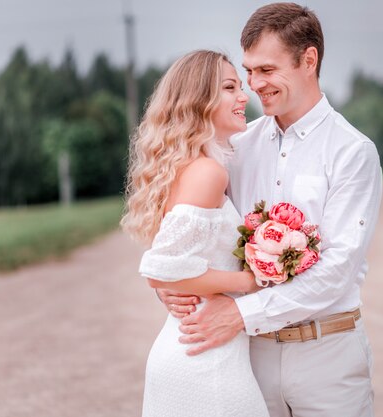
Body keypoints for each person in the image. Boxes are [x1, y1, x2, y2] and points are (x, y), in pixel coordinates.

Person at [158, 3, 383, 417]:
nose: (253, 84)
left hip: (327, 356)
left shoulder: (352, 152)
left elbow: (337, 270)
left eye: (266, 70)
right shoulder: (235, 148)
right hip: (247, 359)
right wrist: (171, 289)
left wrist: (241, 314)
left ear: (308, 60)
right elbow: (188, 232)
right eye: (248, 71)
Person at [120, 50, 270, 417]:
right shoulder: (207, 173)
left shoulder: (192, 167)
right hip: (205, 362)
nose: (244, 96)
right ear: (200, 101)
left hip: (193, 347)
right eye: (230, 87)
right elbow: (163, 270)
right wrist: (250, 281)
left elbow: (173, 270)